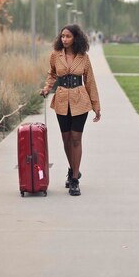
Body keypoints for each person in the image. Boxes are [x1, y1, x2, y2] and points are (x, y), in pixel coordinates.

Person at [40, 24, 101, 196]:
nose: (64, 39)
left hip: (80, 100)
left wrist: (96, 106)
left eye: (68, 36)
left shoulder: (83, 57)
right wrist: (46, 88)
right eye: (62, 36)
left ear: (76, 38)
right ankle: (73, 168)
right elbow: (52, 74)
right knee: (66, 139)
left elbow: (90, 81)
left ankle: (74, 179)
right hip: (61, 100)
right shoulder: (55, 55)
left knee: (76, 138)